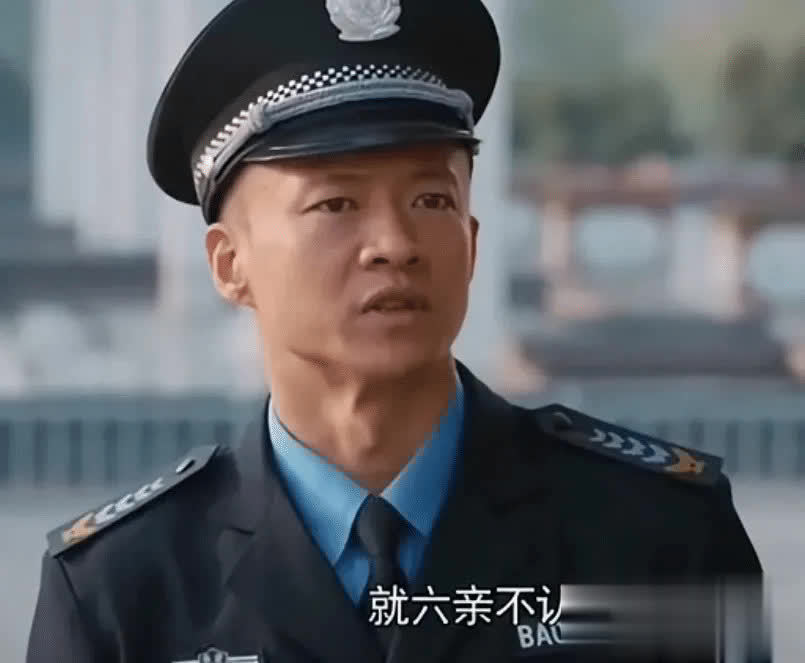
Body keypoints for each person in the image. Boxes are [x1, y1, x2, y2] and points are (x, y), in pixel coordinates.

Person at [26, 1, 764, 662]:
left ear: (472, 241)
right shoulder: (124, 591)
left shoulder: (657, 539)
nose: (394, 244)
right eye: (336, 205)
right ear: (230, 264)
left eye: (431, 199)